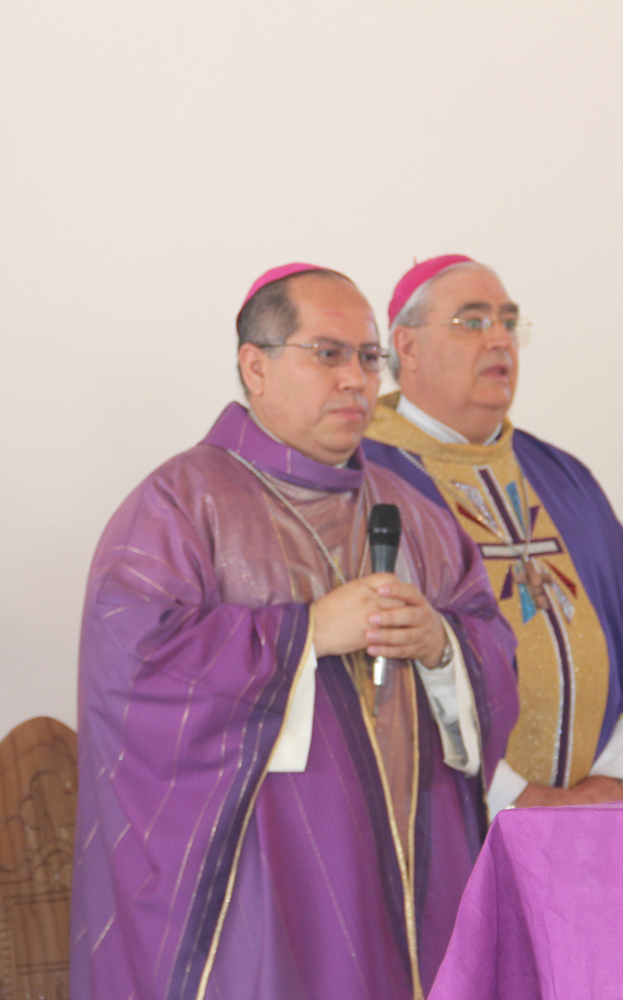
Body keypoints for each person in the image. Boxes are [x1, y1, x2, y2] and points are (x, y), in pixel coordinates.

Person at [70, 263, 519, 1000]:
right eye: (328, 354)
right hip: (266, 882)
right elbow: (136, 666)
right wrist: (306, 633)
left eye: (368, 357)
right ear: (256, 367)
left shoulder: (415, 512)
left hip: (413, 872)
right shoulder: (179, 504)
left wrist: (441, 646)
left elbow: (490, 643)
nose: (355, 380)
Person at [362, 255, 623, 816]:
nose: (500, 340)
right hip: (447, 820)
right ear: (407, 347)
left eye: (509, 323)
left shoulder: (564, 479)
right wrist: (515, 799)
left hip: (600, 820)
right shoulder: (365, 480)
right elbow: (377, 675)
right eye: (472, 322)